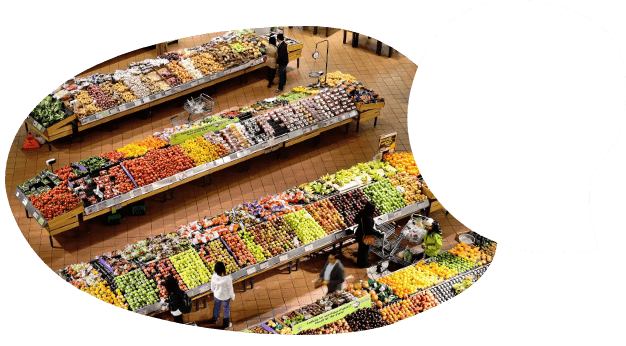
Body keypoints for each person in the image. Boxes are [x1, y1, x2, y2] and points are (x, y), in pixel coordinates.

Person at [208, 261, 235, 330]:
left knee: (216, 307)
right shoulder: (228, 279)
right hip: (226, 297)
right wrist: (232, 296)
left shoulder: (213, 276)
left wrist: (215, 292)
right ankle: (226, 325)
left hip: (217, 295)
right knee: (226, 309)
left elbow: (212, 287)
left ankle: (215, 319)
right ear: (224, 269)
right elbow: (230, 289)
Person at [353, 201, 376, 268]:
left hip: (360, 233)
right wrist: (379, 233)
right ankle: (364, 264)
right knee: (365, 251)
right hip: (367, 236)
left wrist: (361, 223)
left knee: (361, 249)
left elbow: (355, 220)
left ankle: (359, 262)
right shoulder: (369, 217)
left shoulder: (362, 212)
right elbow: (370, 230)